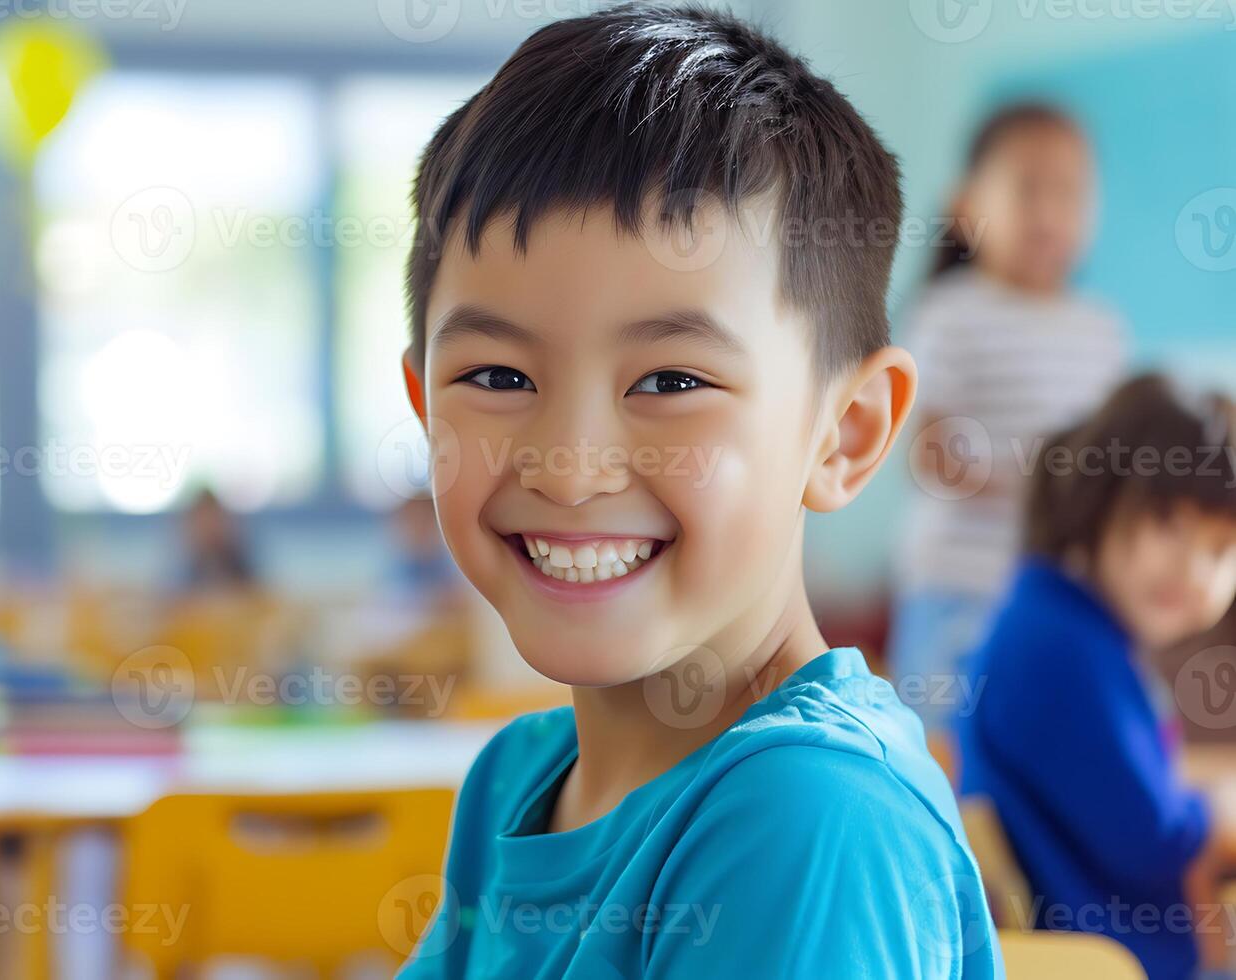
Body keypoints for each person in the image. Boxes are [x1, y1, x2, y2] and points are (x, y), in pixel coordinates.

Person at [395, 6, 995, 976]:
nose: (570, 464)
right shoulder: (515, 779)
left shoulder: (811, 813)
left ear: (846, 433)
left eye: (671, 381)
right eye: (499, 377)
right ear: (427, 406)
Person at [957, 375, 1236, 980]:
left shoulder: (1070, 625)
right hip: (1111, 961)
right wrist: (1216, 811)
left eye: (1219, 550)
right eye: (1168, 525)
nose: (1191, 569)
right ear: (1101, 501)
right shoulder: (1059, 643)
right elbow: (1152, 841)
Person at [892, 103, 1127, 730]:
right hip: (959, 587)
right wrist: (1038, 486)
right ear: (966, 207)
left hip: (1059, 590)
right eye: (1028, 188)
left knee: (1038, 742)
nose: (1050, 212)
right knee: (947, 747)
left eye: (1070, 191)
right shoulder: (951, 313)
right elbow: (930, 451)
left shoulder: (1101, 331)